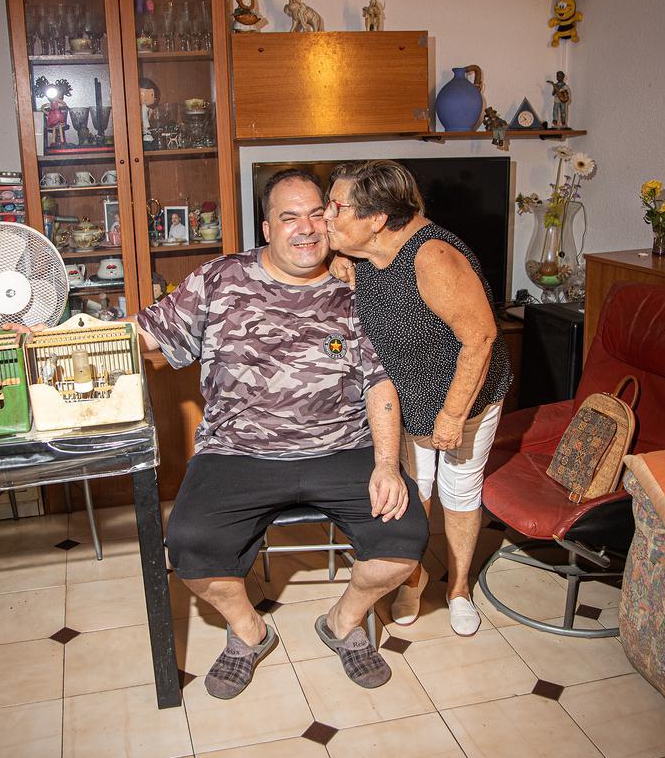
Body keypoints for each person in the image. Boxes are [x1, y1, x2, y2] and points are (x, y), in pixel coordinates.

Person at [134, 168, 428, 699]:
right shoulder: (220, 279)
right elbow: (147, 334)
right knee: (188, 545)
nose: (307, 228)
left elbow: (381, 383)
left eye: (318, 214)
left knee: (405, 540)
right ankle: (249, 632)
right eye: (289, 217)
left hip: (341, 447)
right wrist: (69, 335)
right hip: (237, 450)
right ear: (266, 228)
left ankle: (343, 622)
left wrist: (387, 465)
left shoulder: (355, 292)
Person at [325, 160, 512, 637]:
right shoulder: (368, 252)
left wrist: (453, 416)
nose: (327, 215)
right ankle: (413, 577)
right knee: (413, 492)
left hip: (464, 397)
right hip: (406, 400)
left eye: (336, 207)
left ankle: (459, 588)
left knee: (459, 492)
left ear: (376, 220)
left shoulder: (430, 257)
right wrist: (336, 257)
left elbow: (481, 339)